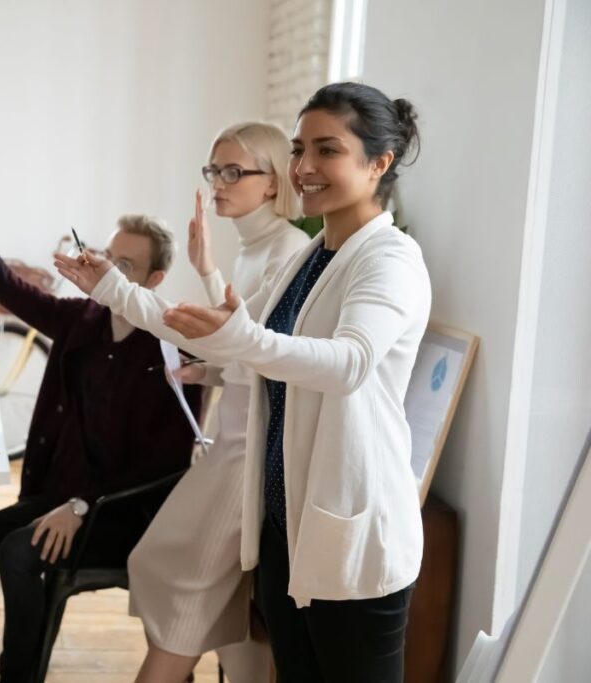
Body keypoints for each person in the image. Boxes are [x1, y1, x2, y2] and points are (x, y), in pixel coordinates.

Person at [59, 81, 430, 681]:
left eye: (327, 150)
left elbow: (348, 363)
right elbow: (214, 331)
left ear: (379, 162)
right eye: (298, 148)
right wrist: (112, 288)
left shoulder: (389, 260)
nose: (303, 168)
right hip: (287, 529)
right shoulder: (308, 259)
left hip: (352, 540)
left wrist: (240, 340)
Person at [0, 136, 202, 683]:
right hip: (58, 499)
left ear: (155, 280)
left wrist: (82, 505)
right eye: (106, 255)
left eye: (125, 264)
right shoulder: (82, 321)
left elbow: (168, 462)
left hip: (121, 514)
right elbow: (3, 282)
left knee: (18, 554)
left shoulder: (174, 346)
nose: (106, 269)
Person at [53, 122, 309, 681]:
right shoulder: (256, 247)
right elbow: (247, 341)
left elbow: (234, 336)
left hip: (249, 455)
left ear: (272, 183)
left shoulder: (289, 249)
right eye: (213, 170)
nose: (218, 182)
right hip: (229, 441)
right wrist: (214, 366)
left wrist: (116, 290)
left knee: (186, 587)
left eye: (233, 171)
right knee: (163, 571)